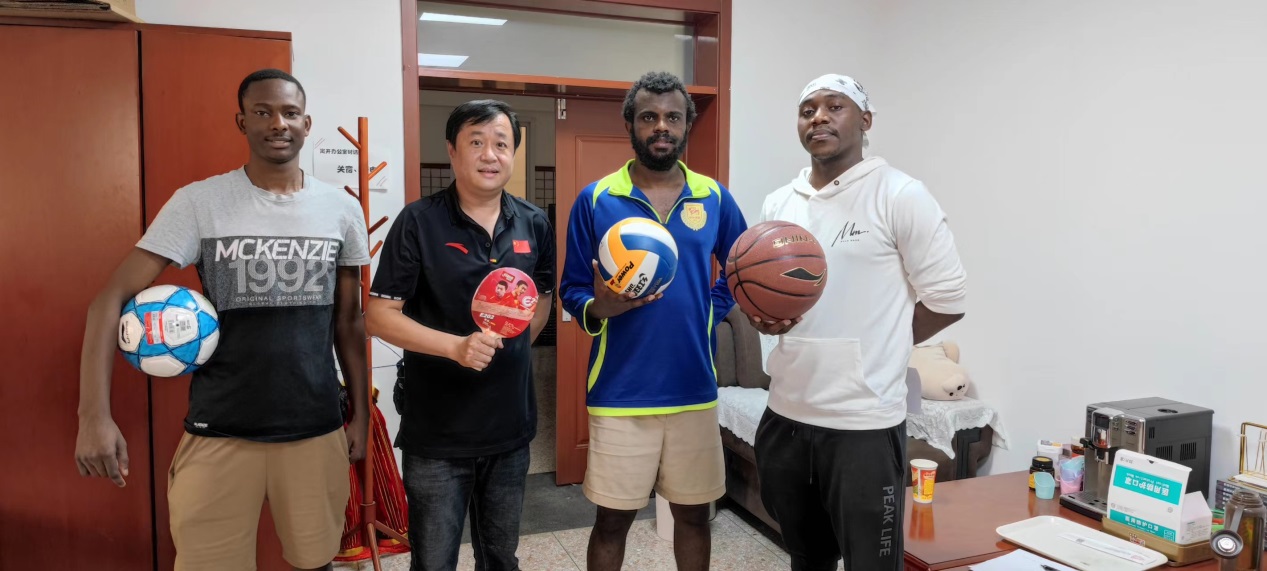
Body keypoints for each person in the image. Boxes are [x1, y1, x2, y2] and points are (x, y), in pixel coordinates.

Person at [73, 68, 371, 571]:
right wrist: (93, 417)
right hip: (219, 428)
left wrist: (359, 414)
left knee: (316, 562)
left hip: (315, 428)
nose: (278, 124)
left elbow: (349, 322)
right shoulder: (199, 203)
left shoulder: (342, 209)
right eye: (262, 112)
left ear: (306, 123)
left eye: (290, 113)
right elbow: (108, 300)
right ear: (242, 121)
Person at [751, 73, 968, 571]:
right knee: (806, 559)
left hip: (862, 425)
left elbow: (949, 299)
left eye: (835, 106)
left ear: (865, 120)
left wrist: (885, 344)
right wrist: (766, 318)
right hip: (785, 415)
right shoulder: (779, 203)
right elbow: (771, 294)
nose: (819, 117)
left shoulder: (900, 194)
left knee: (872, 564)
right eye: (808, 109)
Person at [559, 71, 748, 571]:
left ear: (686, 125)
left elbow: (742, 269)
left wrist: (710, 307)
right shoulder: (596, 198)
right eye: (648, 117)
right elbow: (572, 288)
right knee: (611, 522)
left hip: (693, 389)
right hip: (620, 392)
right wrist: (600, 307)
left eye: (672, 117)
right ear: (630, 125)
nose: (661, 126)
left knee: (693, 517)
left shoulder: (714, 197)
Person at [365, 99, 554, 571]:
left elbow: (542, 300)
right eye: (476, 142)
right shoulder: (418, 221)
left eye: (501, 144)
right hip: (438, 434)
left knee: (501, 558)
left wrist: (508, 350)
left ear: (513, 153)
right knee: (433, 562)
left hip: (510, 429)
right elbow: (379, 316)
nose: (490, 155)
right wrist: (456, 348)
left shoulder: (534, 222)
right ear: (452, 151)